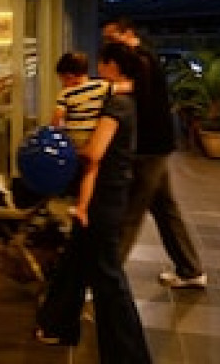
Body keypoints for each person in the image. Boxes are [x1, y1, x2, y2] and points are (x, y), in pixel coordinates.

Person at [36, 41, 152, 363]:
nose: (98, 68)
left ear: (113, 65)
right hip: (105, 193)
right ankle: (57, 324)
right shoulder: (119, 97)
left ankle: (129, 355)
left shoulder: (117, 105)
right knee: (75, 263)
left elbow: (94, 153)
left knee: (108, 277)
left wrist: (67, 153)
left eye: (102, 62)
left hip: (104, 196)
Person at [101, 17, 206, 288]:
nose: (108, 45)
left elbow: (138, 94)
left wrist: (112, 89)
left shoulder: (140, 60)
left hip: (148, 148)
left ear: (127, 34)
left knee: (129, 214)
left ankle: (106, 281)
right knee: (165, 209)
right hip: (156, 146)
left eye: (111, 38)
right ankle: (191, 270)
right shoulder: (143, 57)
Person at [51, 51, 111, 150]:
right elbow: (124, 87)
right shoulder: (102, 86)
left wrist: (53, 133)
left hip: (74, 140)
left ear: (69, 76)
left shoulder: (66, 94)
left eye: (62, 80)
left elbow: (57, 118)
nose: (63, 84)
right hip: (96, 138)